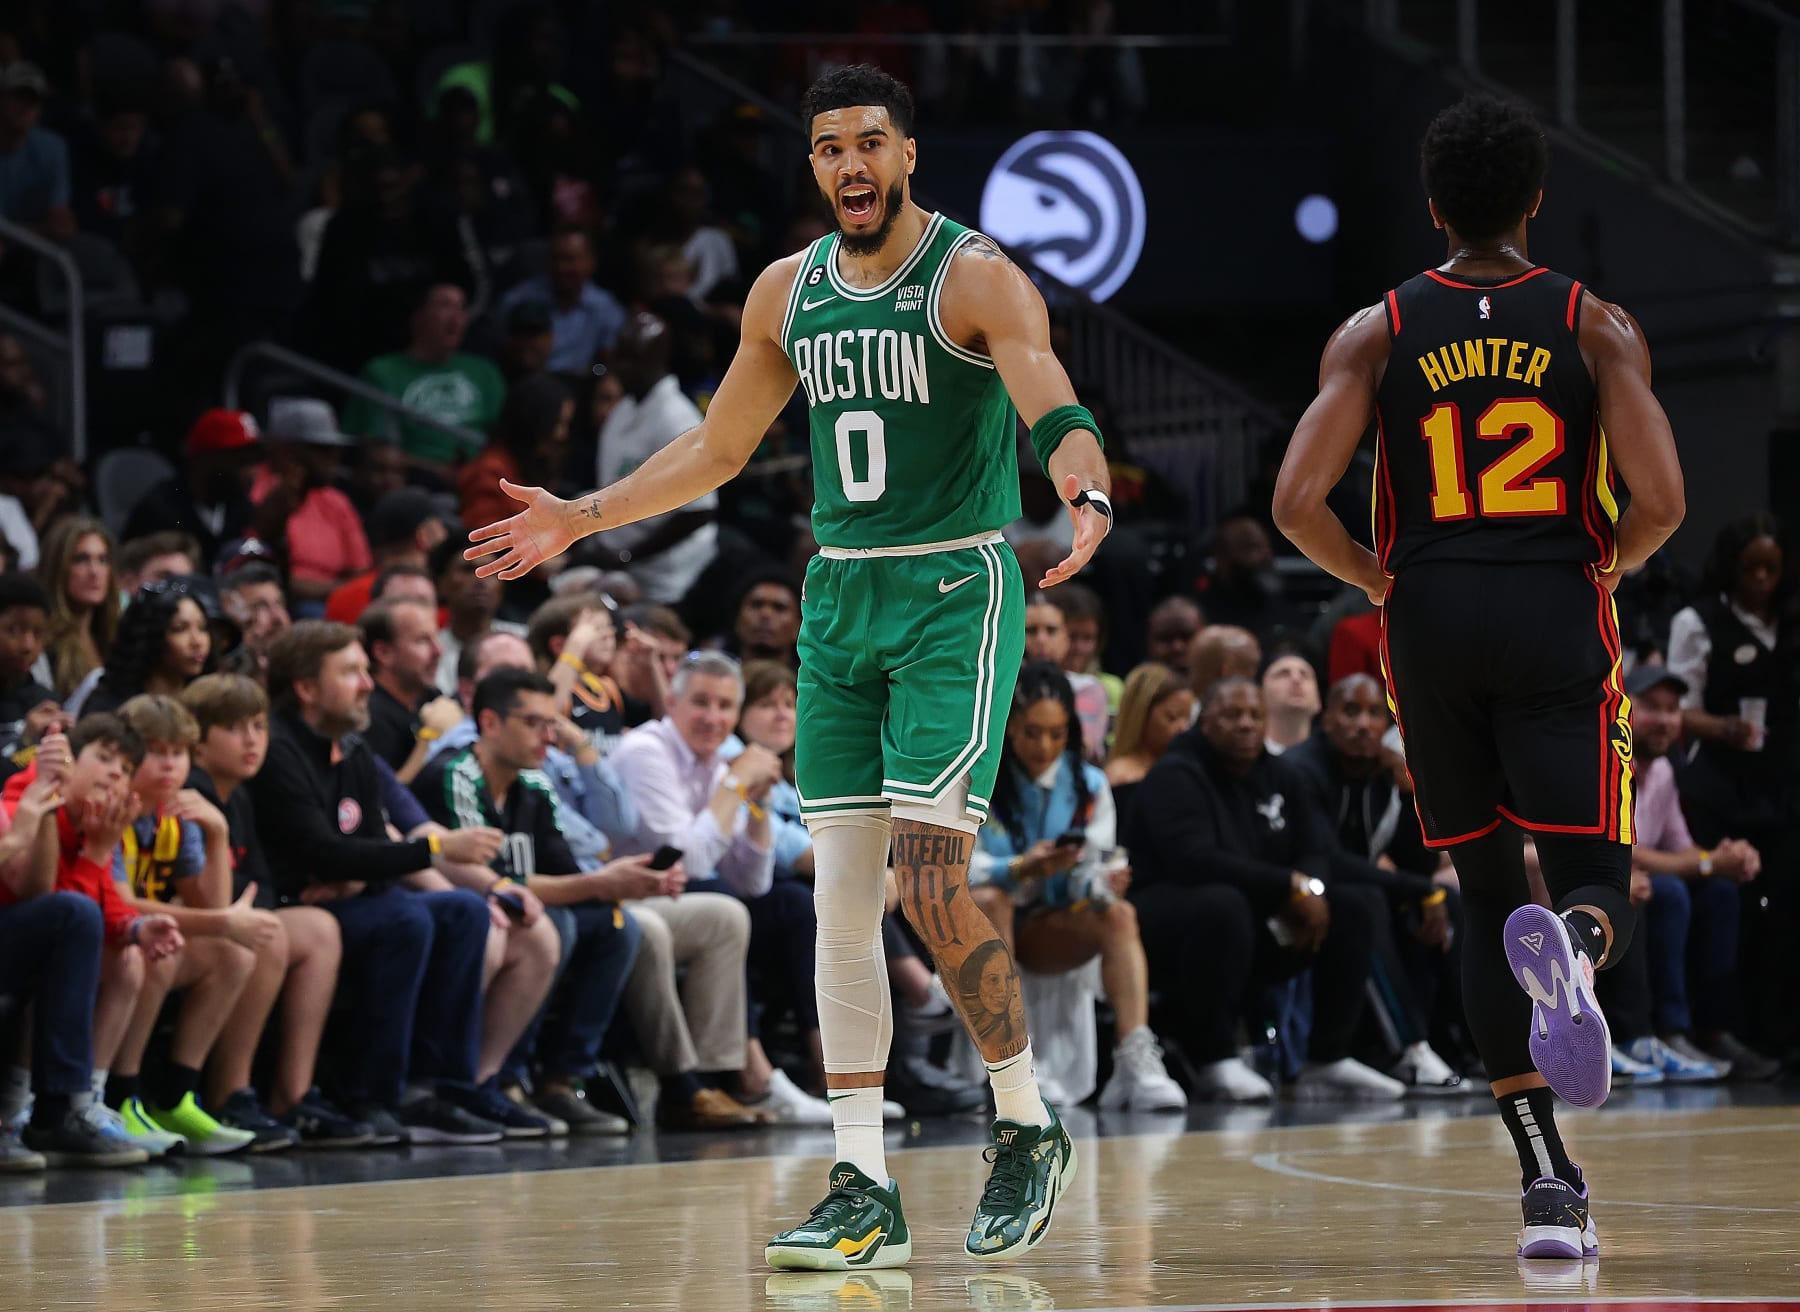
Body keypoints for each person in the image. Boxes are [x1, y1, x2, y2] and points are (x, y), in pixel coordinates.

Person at [465, 64, 1109, 1269]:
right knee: (841, 901)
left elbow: (1047, 393)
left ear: (906, 154)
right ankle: (861, 1179)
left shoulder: (973, 274)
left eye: (870, 142)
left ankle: (1026, 1119)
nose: (850, 164)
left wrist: (1084, 487)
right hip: (839, 594)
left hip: (953, 591)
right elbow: (718, 447)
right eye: (828, 148)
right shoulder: (785, 290)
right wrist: (580, 517)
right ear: (812, 166)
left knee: (930, 883)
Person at [1270, 94, 1685, 1260]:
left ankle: (1549, 1189)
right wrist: (1606, 563)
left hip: (1431, 620)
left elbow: (1296, 503)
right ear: (1537, 201)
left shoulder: (1378, 330)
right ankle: (1582, 953)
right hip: (1555, 606)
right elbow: (1663, 501)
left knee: (1491, 896)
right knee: (1596, 875)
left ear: (1434, 205)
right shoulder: (1596, 323)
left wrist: (1377, 575)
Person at [249, 621, 511, 1144]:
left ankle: (439, 1087)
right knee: (404, 919)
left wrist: (355, 875)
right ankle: (371, 1095)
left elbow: (367, 845)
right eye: (350, 672)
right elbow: (322, 852)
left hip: (347, 894)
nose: (367, 684)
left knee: (463, 910)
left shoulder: (353, 749)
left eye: (366, 671)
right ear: (305, 688)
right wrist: (430, 850)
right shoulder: (278, 748)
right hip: (292, 903)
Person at [1123, 678, 1402, 1104]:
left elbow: (1316, 849)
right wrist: (1288, 886)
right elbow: (1195, 861)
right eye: (1232, 715)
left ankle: (1327, 1058)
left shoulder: (1279, 773)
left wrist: (1308, 890)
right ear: (1205, 721)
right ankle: (1215, 1058)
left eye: (1255, 715)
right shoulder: (1175, 774)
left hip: (1256, 913)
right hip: (1168, 918)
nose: (1245, 724)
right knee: (1223, 904)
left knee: (1354, 904)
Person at [412, 668, 648, 1135]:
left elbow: (562, 873)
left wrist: (617, 885)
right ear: (489, 722)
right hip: (457, 905)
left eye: (551, 723)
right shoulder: (455, 775)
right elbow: (487, 881)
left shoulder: (535, 784)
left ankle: (560, 1080)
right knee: (555, 922)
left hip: (511, 908)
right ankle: (503, 1078)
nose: (548, 736)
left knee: (616, 925)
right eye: (533, 723)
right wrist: (600, 882)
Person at [970, 663, 1185, 1113]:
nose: (1044, 747)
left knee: (1120, 914)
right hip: (990, 922)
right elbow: (960, 871)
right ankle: (1014, 1062)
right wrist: (1021, 867)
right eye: (1032, 733)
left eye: (1056, 733)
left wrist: (1102, 881)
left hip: (1050, 925)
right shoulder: (979, 778)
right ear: (1009, 726)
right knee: (992, 900)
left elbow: (1094, 866)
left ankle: (1135, 1059)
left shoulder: (1089, 784)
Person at [183, 672, 374, 1147]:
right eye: (234, 728)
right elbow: (198, 892)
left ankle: (292, 1094)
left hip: (229, 914)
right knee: (266, 932)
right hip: (190, 922)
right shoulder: (192, 796)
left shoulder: (239, 794)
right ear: (198, 744)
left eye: (258, 726)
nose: (252, 740)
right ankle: (230, 1092)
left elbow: (261, 880)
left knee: (319, 929)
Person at [1283, 675, 1470, 1094]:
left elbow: (1419, 861)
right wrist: (1416, 887)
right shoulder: (1302, 769)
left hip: (1357, 885)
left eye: (1373, 714)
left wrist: (1409, 793)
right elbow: (1327, 858)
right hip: (1299, 888)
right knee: (1367, 902)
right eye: (1350, 712)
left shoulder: (1382, 773)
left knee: (1448, 904)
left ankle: (1460, 1044)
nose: (1363, 725)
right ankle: (1408, 1048)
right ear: (1326, 718)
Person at [1664, 514, 1800, 1063]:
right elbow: (1677, 709)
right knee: (1732, 905)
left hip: (1783, 788)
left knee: (1784, 913)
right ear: (1731, 567)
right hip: (1719, 789)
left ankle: (1781, 1034)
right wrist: (1724, 728)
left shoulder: (1791, 620)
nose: (1762, 578)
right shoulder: (1699, 621)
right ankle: (1722, 1029)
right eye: (1751, 568)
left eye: (1772, 568)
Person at [106, 694, 263, 1155]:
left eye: (178, 753)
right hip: (102, 937)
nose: (169, 765)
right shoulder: (112, 805)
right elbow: (121, 903)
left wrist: (218, 833)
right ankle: (121, 1096)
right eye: (156, 752)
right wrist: (222, 920)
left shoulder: (174, 813)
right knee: (158, 951)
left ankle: (176, 1096)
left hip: (136, 935)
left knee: (232, 953)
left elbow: (211, 903)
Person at [1613, 664, 1776, 1081]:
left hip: (1644, 879)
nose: (1665, 720)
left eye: (1672, 710)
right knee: (1668, 892)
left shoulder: (1663, 771)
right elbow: (1621, 851)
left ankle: (1712, 1030)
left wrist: (1725, 857)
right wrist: (1705, 863)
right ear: (1622, 708)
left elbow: (1680, 847)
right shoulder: (1606, 764)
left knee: (1719, 892)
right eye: (1652, 707)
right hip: (1605, 879)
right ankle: (1658, 1032)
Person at [0, 731, 150, 1167]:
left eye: (125, 769)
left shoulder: (92, 821)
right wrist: (30, 827)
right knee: (74, 921)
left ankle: (73, 1106)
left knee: (130, 957)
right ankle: (38, 1108)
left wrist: (137, 927)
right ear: (70, 760)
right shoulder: (21, 799)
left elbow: (92, 904)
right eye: (103, 757)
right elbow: (46, 896)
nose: (114, 773)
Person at [72, 579, 215, 718]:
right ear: (151, 635)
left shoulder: (209, 705)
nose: (197, 641)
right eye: (180, 629)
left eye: (202, 628)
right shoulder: (112, 710)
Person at [1103, 663, 1194, 833]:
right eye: (1172, 717)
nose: (1183, 728)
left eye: (1188, 719)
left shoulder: (1187, 771)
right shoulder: (1122, 777)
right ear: (1141, 715)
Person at [35, 517, 118, 699]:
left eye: (103, 560)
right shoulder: (43, 644)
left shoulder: (117, 637)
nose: (94, 571)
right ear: (57, 567)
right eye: (81, 559)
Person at [1260, 648, 1320, 756]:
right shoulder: (1245, 757)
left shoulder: (1335, 757)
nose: (1296, 679)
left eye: (1304, 675)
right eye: (1283, 674)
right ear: (1260, 696)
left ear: (1318, 701)